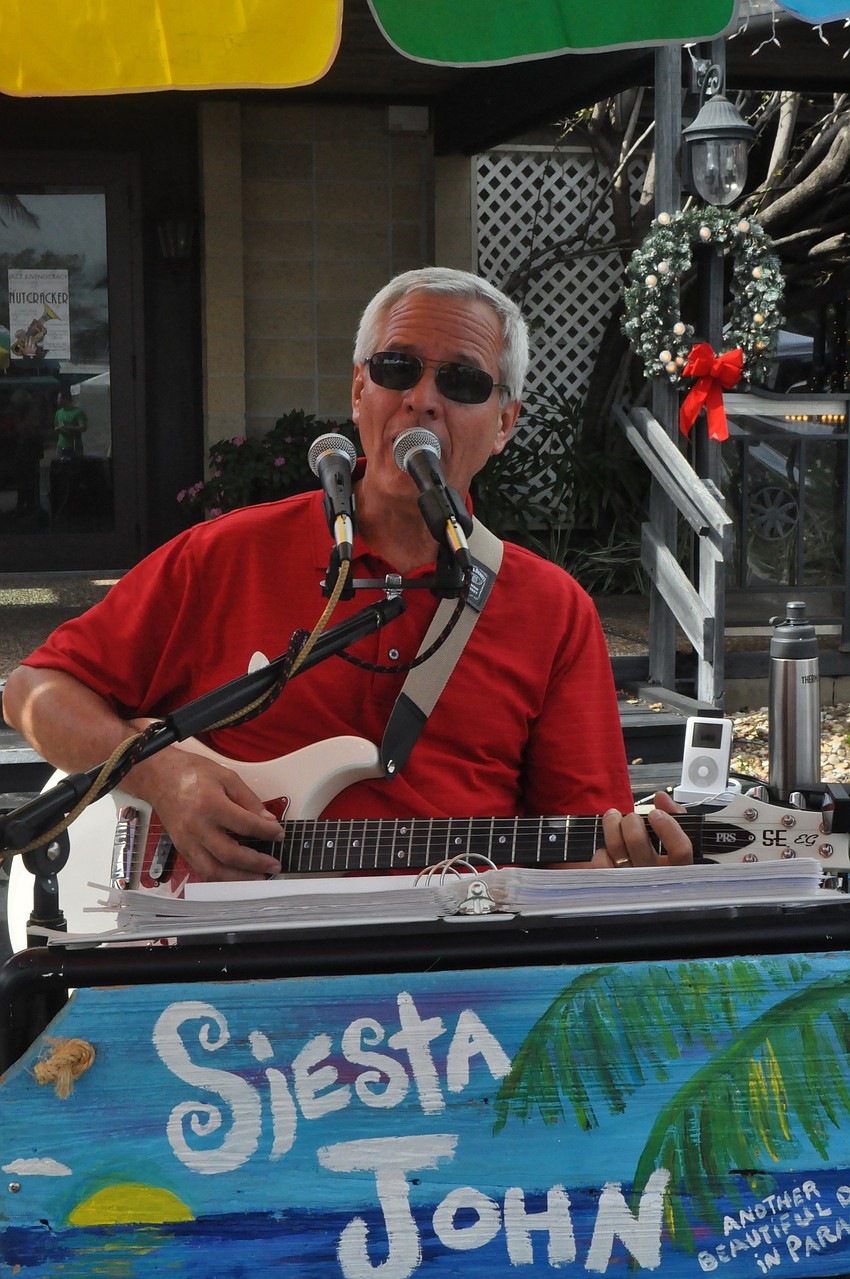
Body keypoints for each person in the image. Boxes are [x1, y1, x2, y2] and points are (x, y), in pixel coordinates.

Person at [2, 267, 692, 882]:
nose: (423, 398)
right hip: (221, 965)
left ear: (505, 421)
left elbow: (584, 847)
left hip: (451, 987)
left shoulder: (553, 611)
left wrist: (644, 862)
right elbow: (35, 689)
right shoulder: (227, 555)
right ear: (359, 389)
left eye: (462, 381)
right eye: (397, 367)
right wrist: (162, 774)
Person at [54, 388, 87, 458]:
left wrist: (68, 427)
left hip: (74, 446)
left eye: (58, 398)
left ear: (65, 399)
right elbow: (56, 427)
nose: (57, 400)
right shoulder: (58, 412)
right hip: (61, 445)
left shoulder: (77, 412)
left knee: (75, 467)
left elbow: (83, 427)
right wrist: (58, 429)